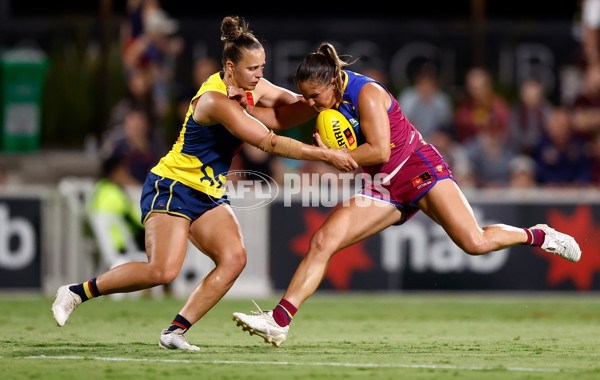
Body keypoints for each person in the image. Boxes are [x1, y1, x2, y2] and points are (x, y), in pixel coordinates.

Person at [231, 43, 582, 348]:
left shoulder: (366, 93)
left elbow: (381, 150)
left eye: (313, 97)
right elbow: (278, 118)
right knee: (323, 239)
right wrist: (239, 105)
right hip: (384, 187)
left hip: (419, 171)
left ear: (333, 81)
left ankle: (538, 235)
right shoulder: (322, 97)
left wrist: (332, 156)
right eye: (306, 96)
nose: (311, 105)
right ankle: (279, 322)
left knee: (474, 243)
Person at [51, 16, 356, 351]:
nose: (260, 75)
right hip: (174, 185)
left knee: (233, 258)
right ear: (231, 67)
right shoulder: (213, 100)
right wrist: (326, 156)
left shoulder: (254, 87)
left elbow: (288, 112)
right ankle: (76, 292)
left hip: (208, 192)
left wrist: (323, 101)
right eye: (253, 68)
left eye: (262, 67)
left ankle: (174, 332)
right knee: (162, 271)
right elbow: (268, 141)